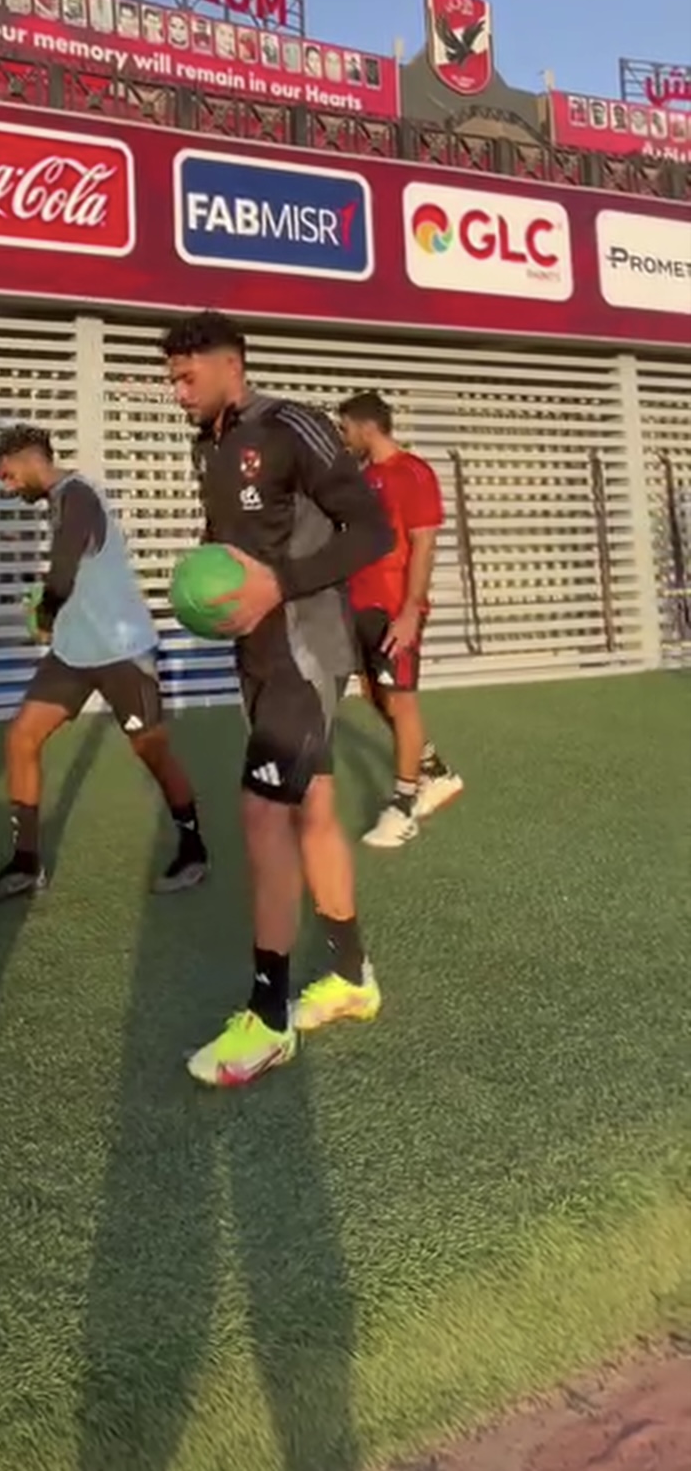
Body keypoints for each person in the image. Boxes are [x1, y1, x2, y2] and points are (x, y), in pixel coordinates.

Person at [160, 311, 394, 1087]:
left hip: (305, 649)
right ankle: (352, 979)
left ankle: (267, 1020)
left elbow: (373, 531)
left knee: (263, 814)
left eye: (186, 375)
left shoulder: (293, 426)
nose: (177, 390)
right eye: (170, 378)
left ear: (231, 362)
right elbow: (236, 546)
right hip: (256, 654)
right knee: (314, 809)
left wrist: (279, 585)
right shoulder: (209, 445)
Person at [0, 425, 209, 905]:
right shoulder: (59, 500)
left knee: (152, 752)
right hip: (74, 653)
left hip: (122, 652)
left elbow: (63, 573)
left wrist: (44, 616)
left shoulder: (77, 495)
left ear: (30, 458)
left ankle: (194, 852)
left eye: (7, 474)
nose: (7, 486)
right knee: (21, 738)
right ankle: (26, 863)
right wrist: (53, 618)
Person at [338, 391, 464, 846]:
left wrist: (411, 609)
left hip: (395, 606)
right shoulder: (363, 476)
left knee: (402, 701)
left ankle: (404, 803)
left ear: (366, 426)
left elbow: (424, 545)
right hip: (360, 603)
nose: (343, 437)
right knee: (375, 695)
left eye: (345, 428)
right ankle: (434, 770)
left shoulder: (413, 472)